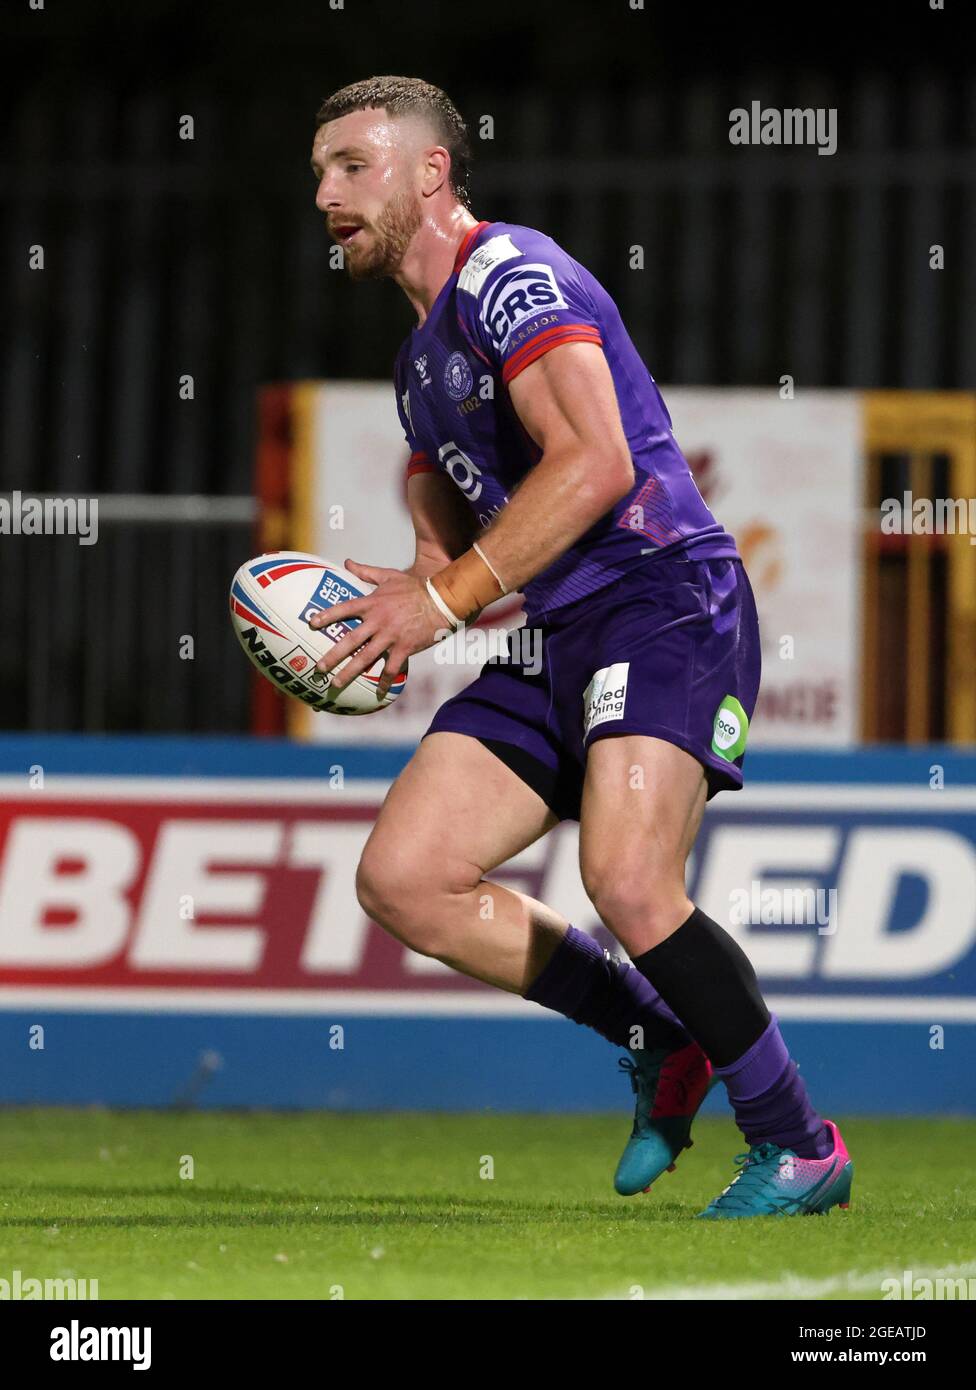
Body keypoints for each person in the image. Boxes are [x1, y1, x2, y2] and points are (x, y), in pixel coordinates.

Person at [306, 75, 853, 1218]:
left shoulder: (511, 273)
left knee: (627, 877)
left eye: (353, 166)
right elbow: (438, 465)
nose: (326, 193)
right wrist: (420, 567)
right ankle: (664, 1035)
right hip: (561, 628)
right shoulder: (420, 354)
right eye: (318, 172)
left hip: (664, 599)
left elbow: (594, 462)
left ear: (430, 172)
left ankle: (799, 1142)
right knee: (404, 876)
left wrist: (445, 603)